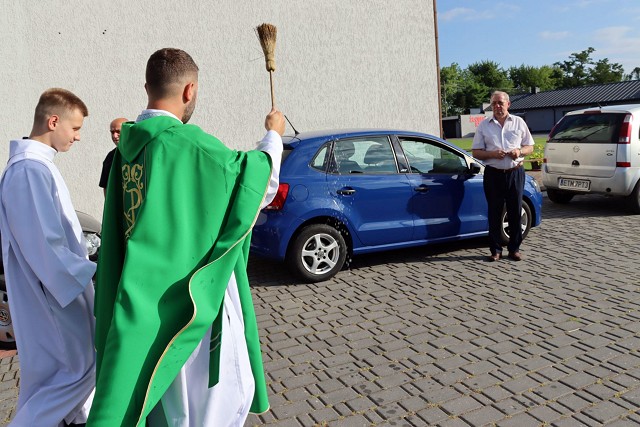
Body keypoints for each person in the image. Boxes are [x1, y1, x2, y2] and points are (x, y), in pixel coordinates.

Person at [88, 48, 285, 426]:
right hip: (188, 301)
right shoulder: (187, 144)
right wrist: (273, 135)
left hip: (142, 306)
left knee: (160, 399)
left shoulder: (127, 150)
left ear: (147, 87)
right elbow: (254, 184)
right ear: (190, 90)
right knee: (206, 405)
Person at [0, 88, 97, 426]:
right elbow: (44, 245)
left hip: (57, 291)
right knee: (74, 372)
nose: (78, 136)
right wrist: (93, 272)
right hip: (54, 296)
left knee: (64, 374)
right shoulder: (29, 171)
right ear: (53, 121)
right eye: (75, 128)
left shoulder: (38, 166)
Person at [472, 91, 534, 262]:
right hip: (493, 174)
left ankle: (514, 249)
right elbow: (476, 152)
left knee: (515, 211)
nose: (497, 106)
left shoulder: (519, 122)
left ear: (508, 104)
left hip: (515, 173)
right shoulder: (484, 125)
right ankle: (495, 250)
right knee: (494, 212)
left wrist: (519, 151)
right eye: (494, 103)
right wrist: (491, 154)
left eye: (500, 103)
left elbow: (530, 147)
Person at [99, 117, 128, 197]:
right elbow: (106, 186)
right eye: (112, 132)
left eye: (118, 132)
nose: (115, 136)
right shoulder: (110, 157)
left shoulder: (141, 152)